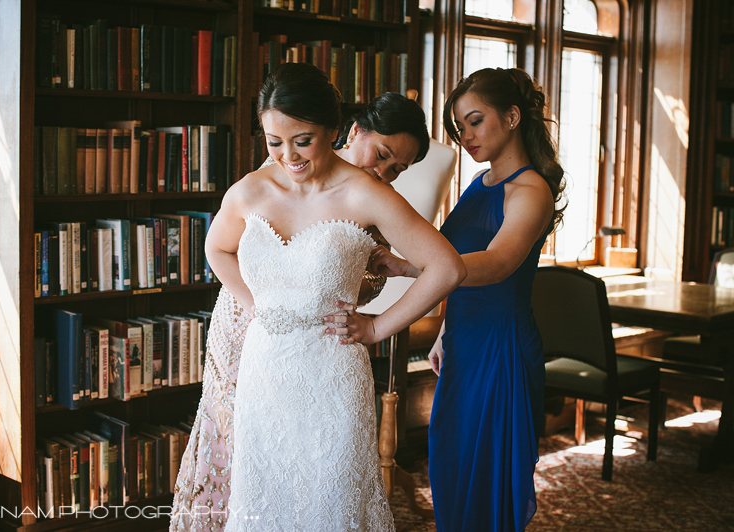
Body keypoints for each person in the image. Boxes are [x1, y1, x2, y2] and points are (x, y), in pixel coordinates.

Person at [169, 85, 435, 530]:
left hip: (326, 350)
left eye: (398, 167)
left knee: (325, 483)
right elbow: (220, 247)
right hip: (250, 330)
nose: (385, 169)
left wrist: (377, 321)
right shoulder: (272, 177)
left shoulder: (371, 201)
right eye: (383, 153)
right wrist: (257, 308)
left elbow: (421, 271)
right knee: (240, 454)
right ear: (351, 131)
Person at [364, 67, 566, 531]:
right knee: (452, 467)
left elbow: (496, 263)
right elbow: (460, 262)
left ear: (512, 116)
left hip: (501, 349)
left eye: (475, 121)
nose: (466, 136)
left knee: (486, 479)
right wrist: (444, 331)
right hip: (463, 343)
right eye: (460, 127)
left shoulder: (530, 189)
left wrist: (409, 266)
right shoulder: (483, 183)